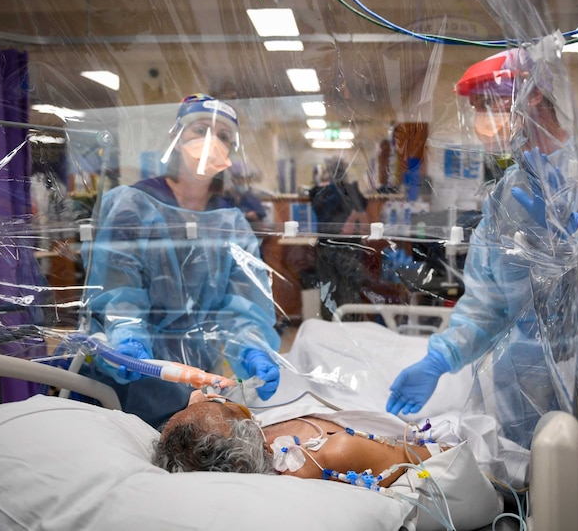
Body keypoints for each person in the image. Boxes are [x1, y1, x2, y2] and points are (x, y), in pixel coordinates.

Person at [386, 48, 578, 449]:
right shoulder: (503, 199)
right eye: (478, 108)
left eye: (491, 104)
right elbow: (488, 303)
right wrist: (440, 359)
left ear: (533, 95)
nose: (484, 120)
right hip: (525, 386)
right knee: (535, 490)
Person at [81, 94, 282, 428]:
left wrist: (251, 348)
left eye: (223, 137)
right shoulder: (134, 206)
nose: (211, 142)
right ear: (175, 139)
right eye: (200, 129)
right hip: (131, 374)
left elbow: (244, 304)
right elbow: (117, 288)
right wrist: (126, 338)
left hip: (198, 378)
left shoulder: (229, 222)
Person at [153, 389, 444, 488]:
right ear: (242, 434)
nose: (200, 395)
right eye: (218, 404)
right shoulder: (334, 453)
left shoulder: (249, 443)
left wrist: (201, 410)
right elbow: (440, 457)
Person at [309, 157, 371, 319]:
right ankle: (348, 332)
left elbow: (358, 223)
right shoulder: (346, 191)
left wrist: (350, 223)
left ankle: (335, 331)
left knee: (330, 293)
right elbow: (361, 222)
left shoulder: (321, 192)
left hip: (331, 250)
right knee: (347, 292)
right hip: (344, 250)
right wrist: (351, 222)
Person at [226, 160, 267, 227]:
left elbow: (260, 219)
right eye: (238, 179)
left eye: (244, 179)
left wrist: (253, 216)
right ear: (232, 180)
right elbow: (223, 216)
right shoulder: (227, 198)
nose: (240, 182)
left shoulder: (252, 198)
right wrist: (245, 214)